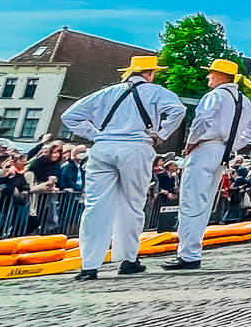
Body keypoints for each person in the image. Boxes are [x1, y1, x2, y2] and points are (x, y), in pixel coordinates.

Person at [61, 55, 185, 281]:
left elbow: (69, 116)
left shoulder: (107, 92)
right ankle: (128, 259)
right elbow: (178, 110)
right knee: (132, 204)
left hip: (103, 148)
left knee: (95, 206)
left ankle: (89, 265)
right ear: (150, 73)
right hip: (135, 147)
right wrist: (162, 133)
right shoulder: (155, 91)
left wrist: (95, 134)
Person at [169, 59, 251, 271]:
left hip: (205, 147)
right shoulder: (243, 100)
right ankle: (192, 250)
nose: (208, 76)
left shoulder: (215, 96)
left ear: (222, 75)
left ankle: (188, 253)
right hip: (223, 150)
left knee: (191, 200)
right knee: (204, 202)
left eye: (211, 73)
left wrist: (191, 142)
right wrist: (234, 143)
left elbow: (202, 120)